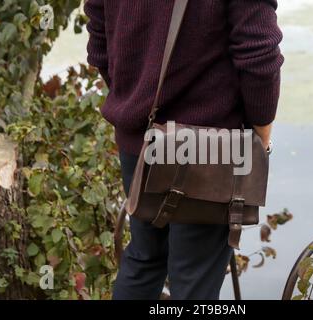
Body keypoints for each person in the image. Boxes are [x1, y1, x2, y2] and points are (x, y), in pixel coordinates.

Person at [84, 0, 284, 300]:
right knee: (194, 282)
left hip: (140, 140)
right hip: (210, 152)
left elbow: (99, 37)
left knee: (143, 259)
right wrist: (262, 135)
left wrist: (136, 103)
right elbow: (260, 56)